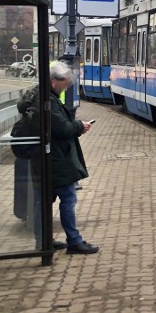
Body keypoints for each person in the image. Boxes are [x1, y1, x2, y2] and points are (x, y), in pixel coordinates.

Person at [27, 60, 99, 254]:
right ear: (53, 82)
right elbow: (62, 128)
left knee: (44, 201)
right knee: (68, 199)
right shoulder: (48, 101)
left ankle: (43, 241)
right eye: (65, 84)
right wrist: (80, 126)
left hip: (50, 158)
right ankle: (74, 241)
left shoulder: (44, 97)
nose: (66, 87)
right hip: (56, 161)